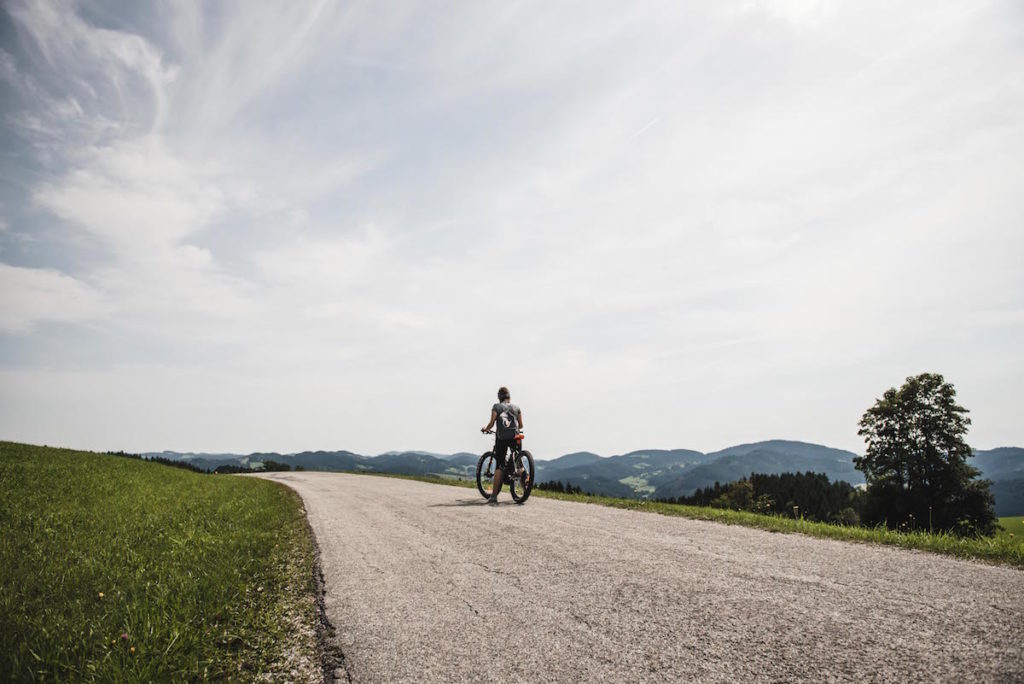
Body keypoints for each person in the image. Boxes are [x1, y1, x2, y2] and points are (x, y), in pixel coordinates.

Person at [480, 386, 524, 504]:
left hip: (502, 438)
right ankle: (525, 490)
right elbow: (521, 425)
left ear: (499, 397)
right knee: (518, 462)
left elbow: (492, 423)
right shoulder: (516, 407)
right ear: (509, 396)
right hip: (515, 436)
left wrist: (486, 429)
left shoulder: (496, 407)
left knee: (499, 465)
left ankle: (494, 496)